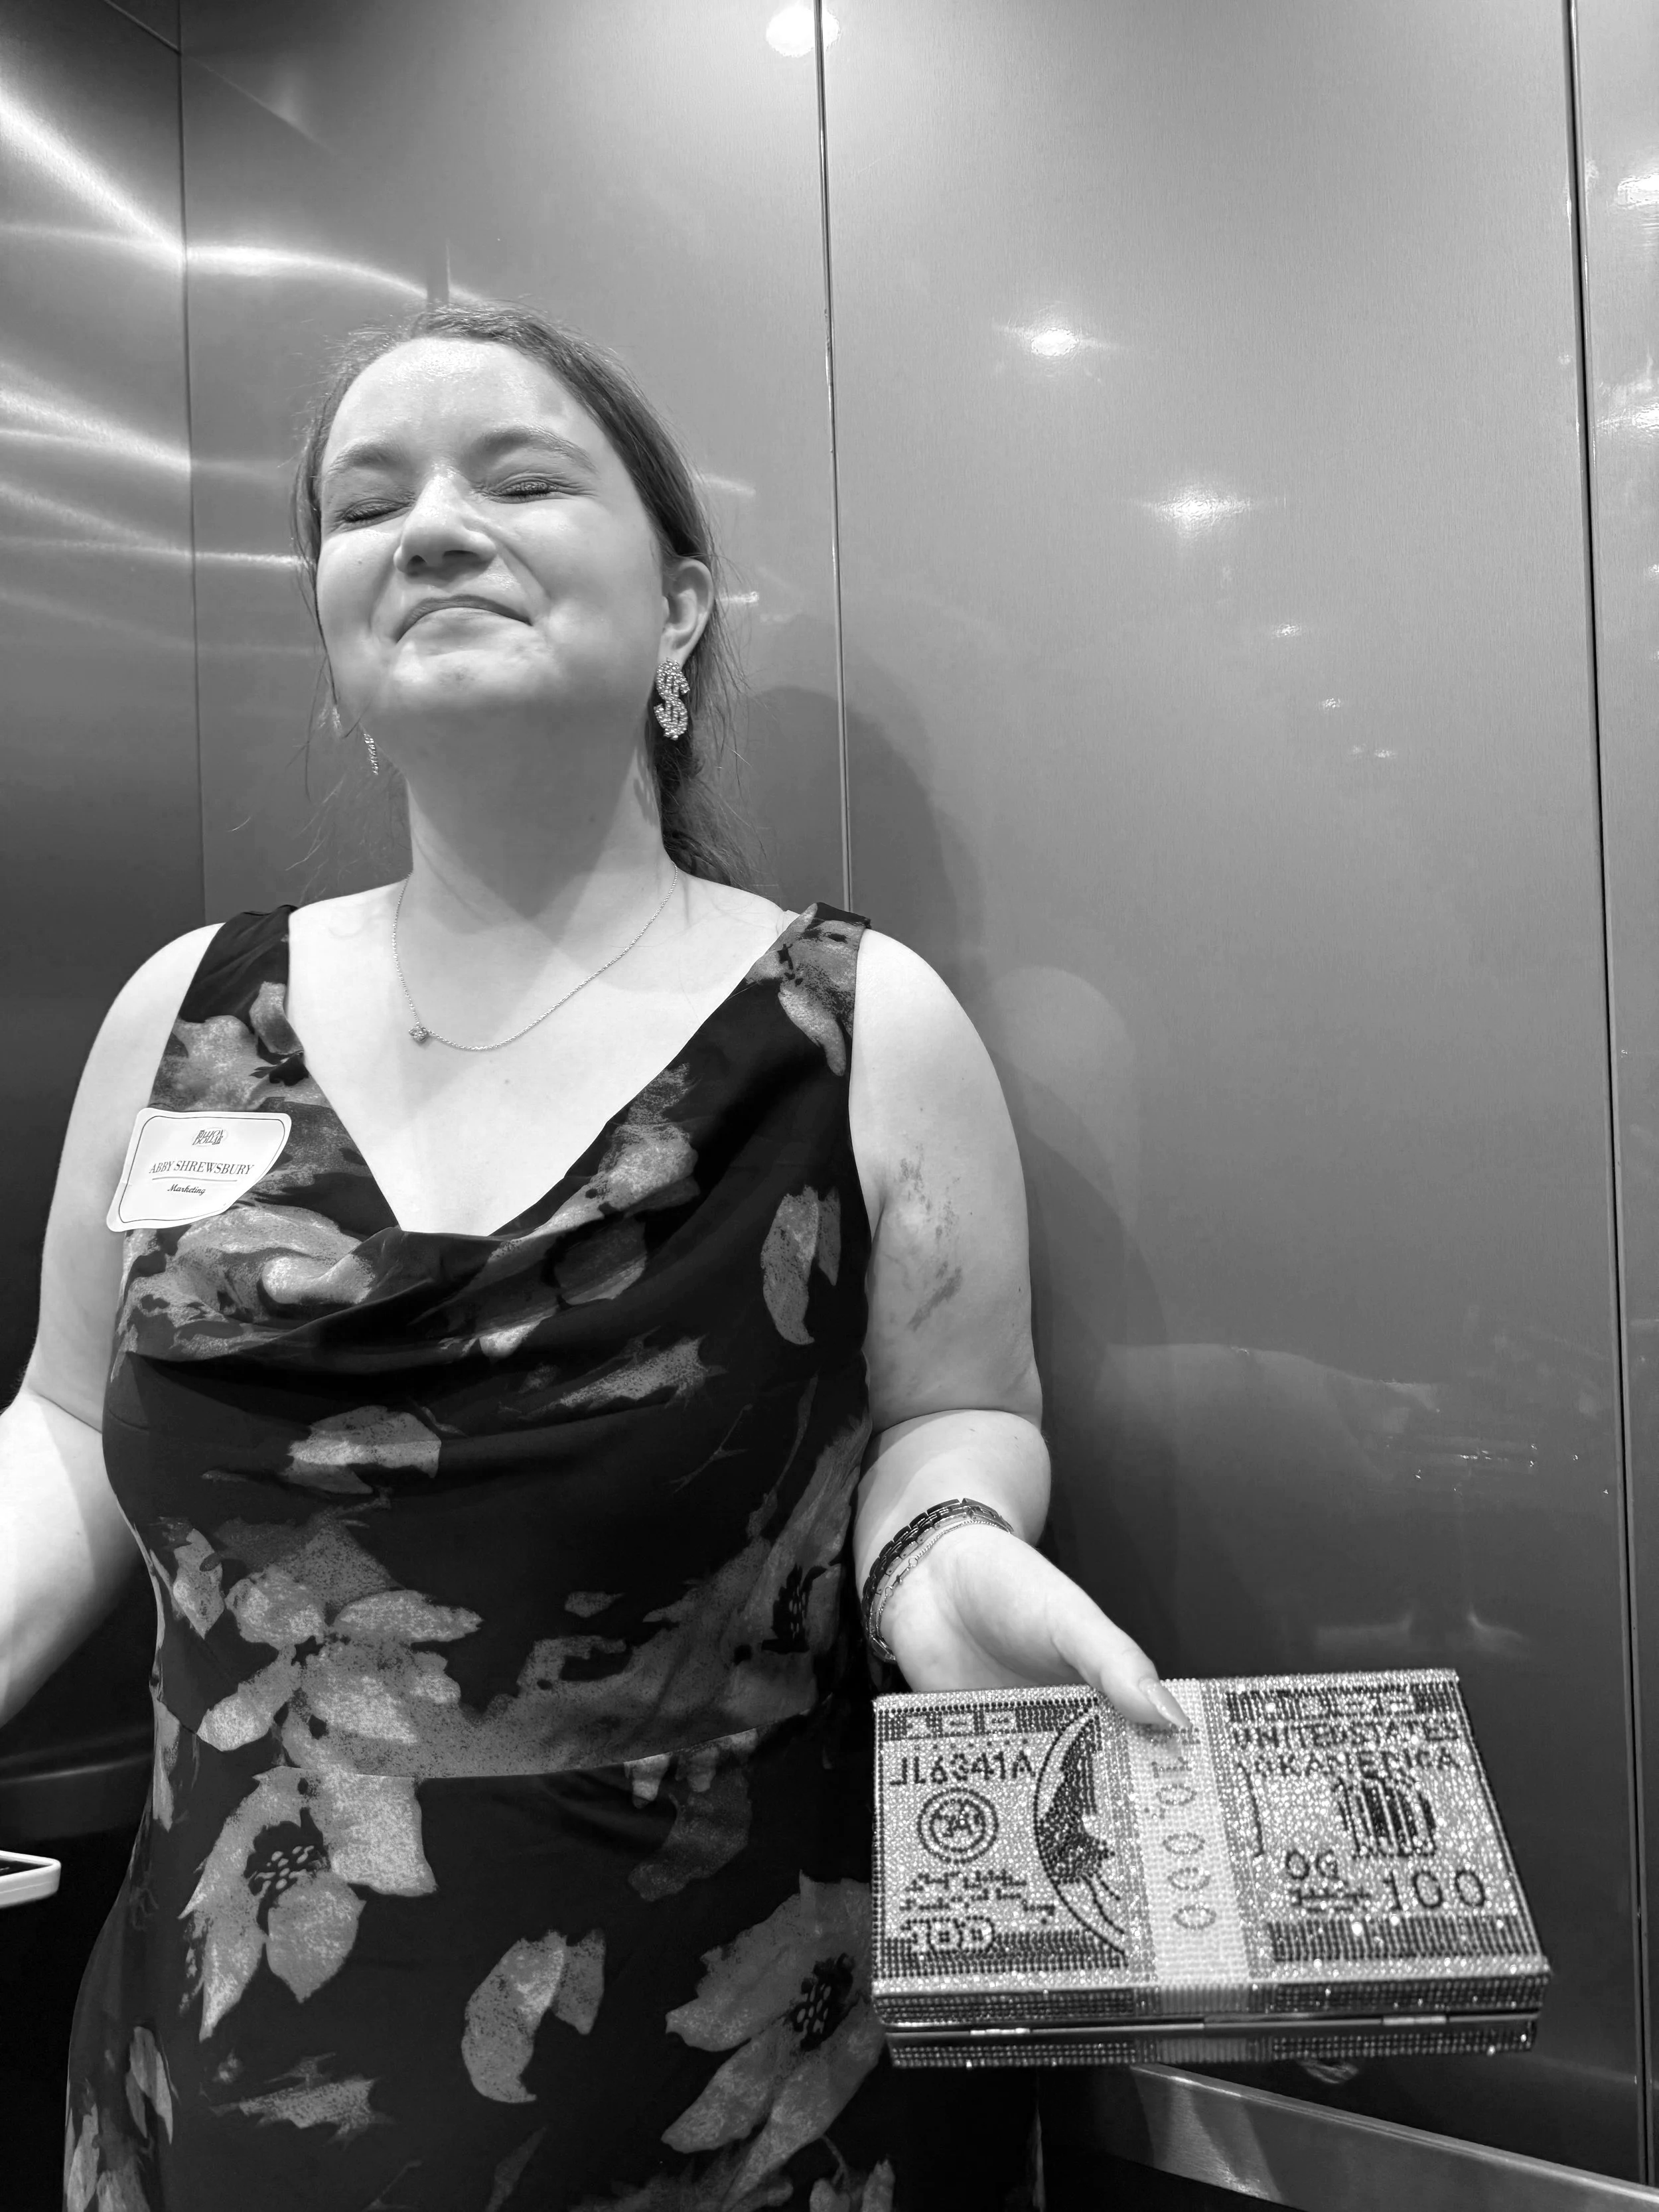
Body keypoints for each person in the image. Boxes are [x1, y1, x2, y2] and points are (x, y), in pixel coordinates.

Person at [5, 301, 1185, 2211]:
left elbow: (952, 1417)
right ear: (330, 631)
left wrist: (948, 1571)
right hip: (211, 2091)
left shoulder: (854, 1022)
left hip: (733, 2105)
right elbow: (67, 1426)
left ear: (684, 614)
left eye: (520, 477)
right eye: (366, 501)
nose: (434, 526)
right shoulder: (183, 1013)